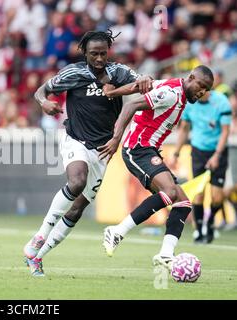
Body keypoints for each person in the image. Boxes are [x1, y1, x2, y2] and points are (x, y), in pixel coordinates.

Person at [23, 30, 153, 277]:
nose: (100, 59)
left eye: (103, 53)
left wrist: (146, 78)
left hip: (103, 150)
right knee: (76, 181)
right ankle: (40, 236)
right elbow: (41, 90)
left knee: (77, 208)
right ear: (84, 52)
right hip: (76, 140)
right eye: (94, 54)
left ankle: (37, 257)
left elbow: (141, 79)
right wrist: (44, 103)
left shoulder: (119, 72)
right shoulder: (74, 73)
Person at [98, 65, 214, 270]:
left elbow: (143, 86)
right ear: (191, 77)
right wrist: (116, 139)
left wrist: (113, 92)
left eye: (206, 89)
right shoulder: (171, 94)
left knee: (183, 203)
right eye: (201, 85)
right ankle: (117, 232)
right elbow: (130, 106)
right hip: (137, 149)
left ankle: (165, 254)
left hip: (149, 151)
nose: (202, 91)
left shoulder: (174, 89)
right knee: (170, 191)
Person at [171, 90, 231, 243]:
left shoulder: (221, 102)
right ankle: (198, 230)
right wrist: (176, 153)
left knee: (217, 197)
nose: (196, 93)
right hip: (198, 151)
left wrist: (217, 155)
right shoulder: (190, 104)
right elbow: (184, 128)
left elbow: (225, 131)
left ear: (207, 89)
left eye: (200, 90)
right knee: (199, 193)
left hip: (218, 151)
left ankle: (209, 223)